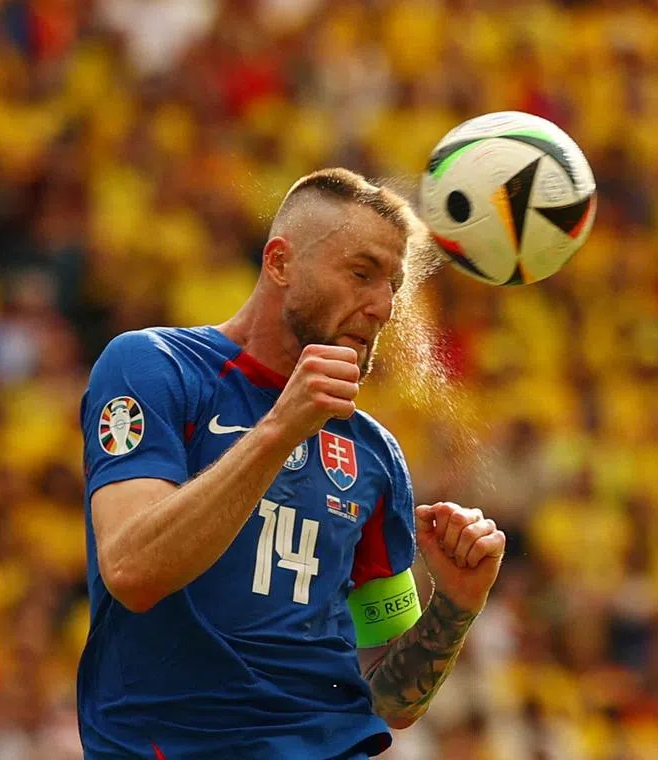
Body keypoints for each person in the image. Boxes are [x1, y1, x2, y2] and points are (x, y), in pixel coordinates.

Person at [77, 168, 506, 759]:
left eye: (393, 285)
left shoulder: (374, 453)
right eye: (362, 274)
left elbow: (389, 702)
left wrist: (455, 606)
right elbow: (131, 571)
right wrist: (279, 428)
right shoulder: (156, 367)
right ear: (280, 263)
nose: (383, 306)